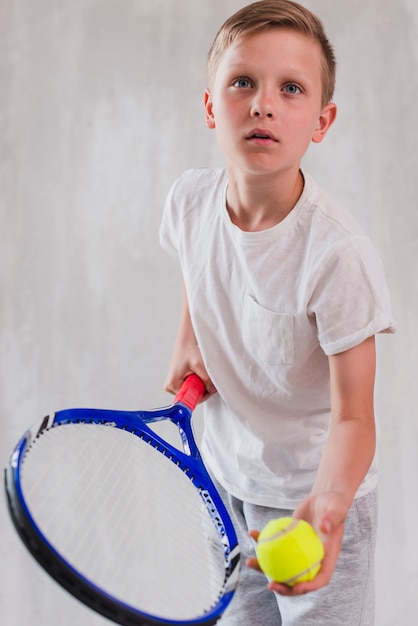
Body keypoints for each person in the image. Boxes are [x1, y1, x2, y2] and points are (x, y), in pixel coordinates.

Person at [159, 1, 395, 624]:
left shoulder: (338, 254)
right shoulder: (189, 201)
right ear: (210, 106)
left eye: (291, 88)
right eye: (242, 82)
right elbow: (197, 257)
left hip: (312, 501)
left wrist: (329, 506)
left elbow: (355, 417)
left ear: (322, 120)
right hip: (227, 484)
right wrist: (190, 335)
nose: (264, 103)